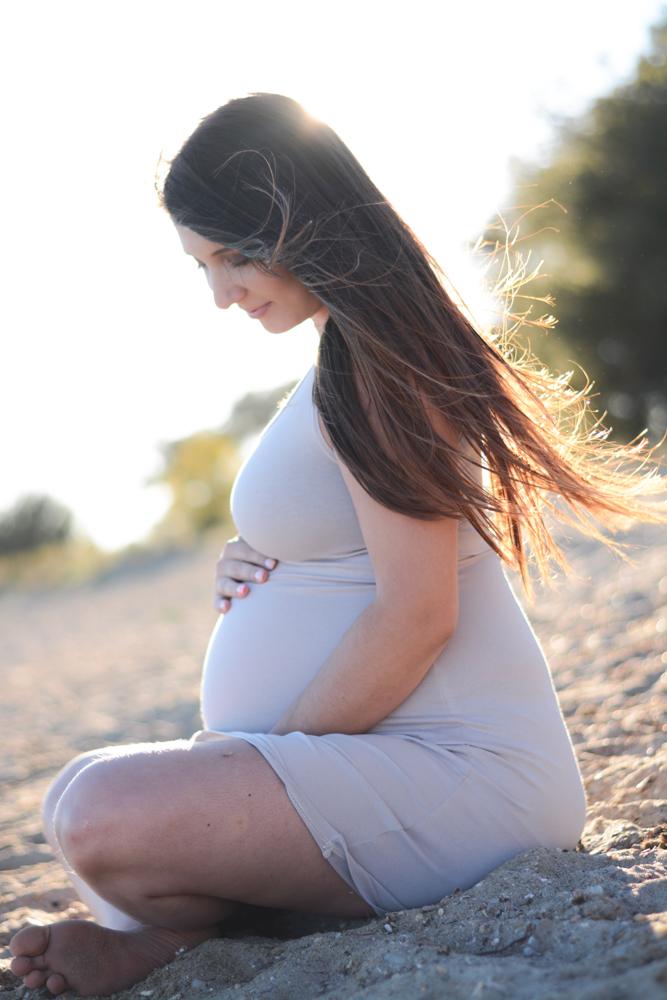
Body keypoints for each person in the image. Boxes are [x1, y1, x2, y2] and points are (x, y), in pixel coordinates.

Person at [9, 92, 667, 997]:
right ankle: (168, 932)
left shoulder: (378, 369)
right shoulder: (346, 359)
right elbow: (349, 551)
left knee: (97, 809)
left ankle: (169, 930)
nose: (220, 294)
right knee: (80, 791)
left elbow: (417, 616)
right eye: (201, 267)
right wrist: (255, 561)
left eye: (231, 257)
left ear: (296, 220)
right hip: (397, 767)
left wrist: (250, 762)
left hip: (468, 782)